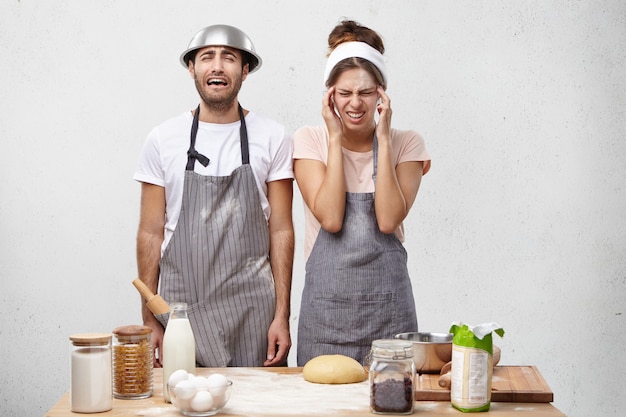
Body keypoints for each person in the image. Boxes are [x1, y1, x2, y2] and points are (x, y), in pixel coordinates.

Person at [134, 24, 294, 367]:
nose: (217, 66)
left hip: (253, 312)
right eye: (207, 57)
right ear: (192, 68)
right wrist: (150, 320)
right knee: (184, 401)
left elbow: (281, 229)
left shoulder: (272, 136)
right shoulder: (163, 139)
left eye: (230, 58)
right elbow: (150, 231)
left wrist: (282, 316)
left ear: (245, 70)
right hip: (180, 313)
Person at [294, 20, 431, 366]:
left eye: (366, 92)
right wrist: (335, 137)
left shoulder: (406, 143)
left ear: (381, 93)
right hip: (326, 318)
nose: (355, 103)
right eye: (344, 93)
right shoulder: (311, 140)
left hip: (390, 316)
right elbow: (331, 217)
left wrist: (383, 139)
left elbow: (387, 220)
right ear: (330, 95)